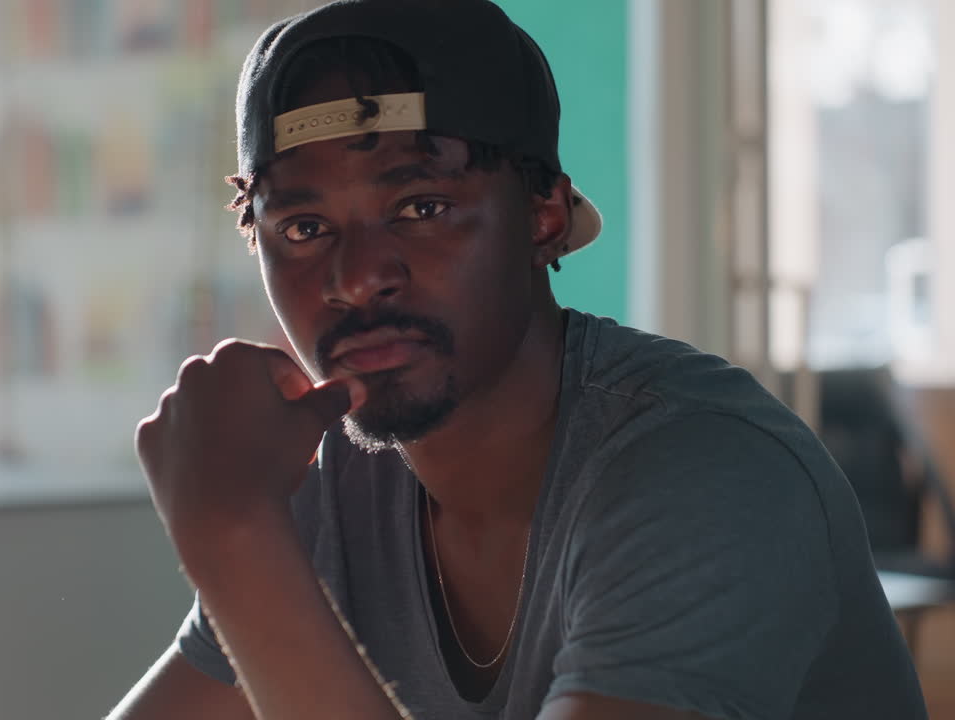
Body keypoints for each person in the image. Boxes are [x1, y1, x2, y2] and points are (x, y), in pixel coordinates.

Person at [110, 1, 929, 718]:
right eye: (303, 228)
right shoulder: (336, 494)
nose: (357, 279)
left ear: (543, 216)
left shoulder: (705, 472)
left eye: (421, 207)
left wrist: (234, 535)